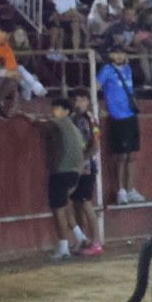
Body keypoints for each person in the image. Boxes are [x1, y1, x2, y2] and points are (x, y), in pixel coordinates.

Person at [35, 96, 96, 260]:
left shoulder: (61, 122)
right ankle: (81, 237)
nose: (53, 111)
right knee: (65, 205)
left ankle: (63, 247)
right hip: (74, 172)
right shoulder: (73, 128)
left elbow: (41, 126)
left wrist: (23, 117)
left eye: (57, 108)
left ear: (65, 111)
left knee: (58, 210)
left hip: (62, 171)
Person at [96, 43, 143, 204]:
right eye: (116, 54)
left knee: (132, 155)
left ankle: (131, 189)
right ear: (111, 56)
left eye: (122, 53)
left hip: (131, 115)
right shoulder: (107, 71)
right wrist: (99, 108)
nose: (120, 56)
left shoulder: (129, 69)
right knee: (121, 155)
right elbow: (96, 87)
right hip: (118, 117)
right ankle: (121, 190)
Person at [66, 91, 103, 252]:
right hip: (78, 166)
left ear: (88, 101)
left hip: (86, 167)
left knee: (85, 202)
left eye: (82, 99)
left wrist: (81, 162)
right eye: (76, 99)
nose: (78, 102)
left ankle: (96, 241)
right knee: (77, 203)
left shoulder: (89, 119)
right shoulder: (76, 118)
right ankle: (83, 239)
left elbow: (95, 146)